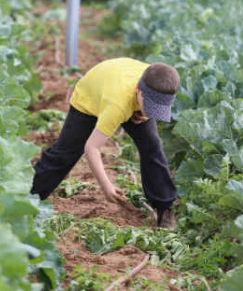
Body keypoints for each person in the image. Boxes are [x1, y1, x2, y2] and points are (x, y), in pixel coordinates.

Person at [30, 57, 180, 229]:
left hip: (121, 86)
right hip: (90, 97)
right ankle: (28, 195)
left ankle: (164, 208)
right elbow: (92, 147)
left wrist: (143, 112)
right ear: (139, 91)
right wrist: (106, 186)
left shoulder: (157, 81)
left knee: (152, 145)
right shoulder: (117, 104)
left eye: (158, 109)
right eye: (151, 107)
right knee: (66, 153)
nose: (152, 113)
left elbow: (151, 104)